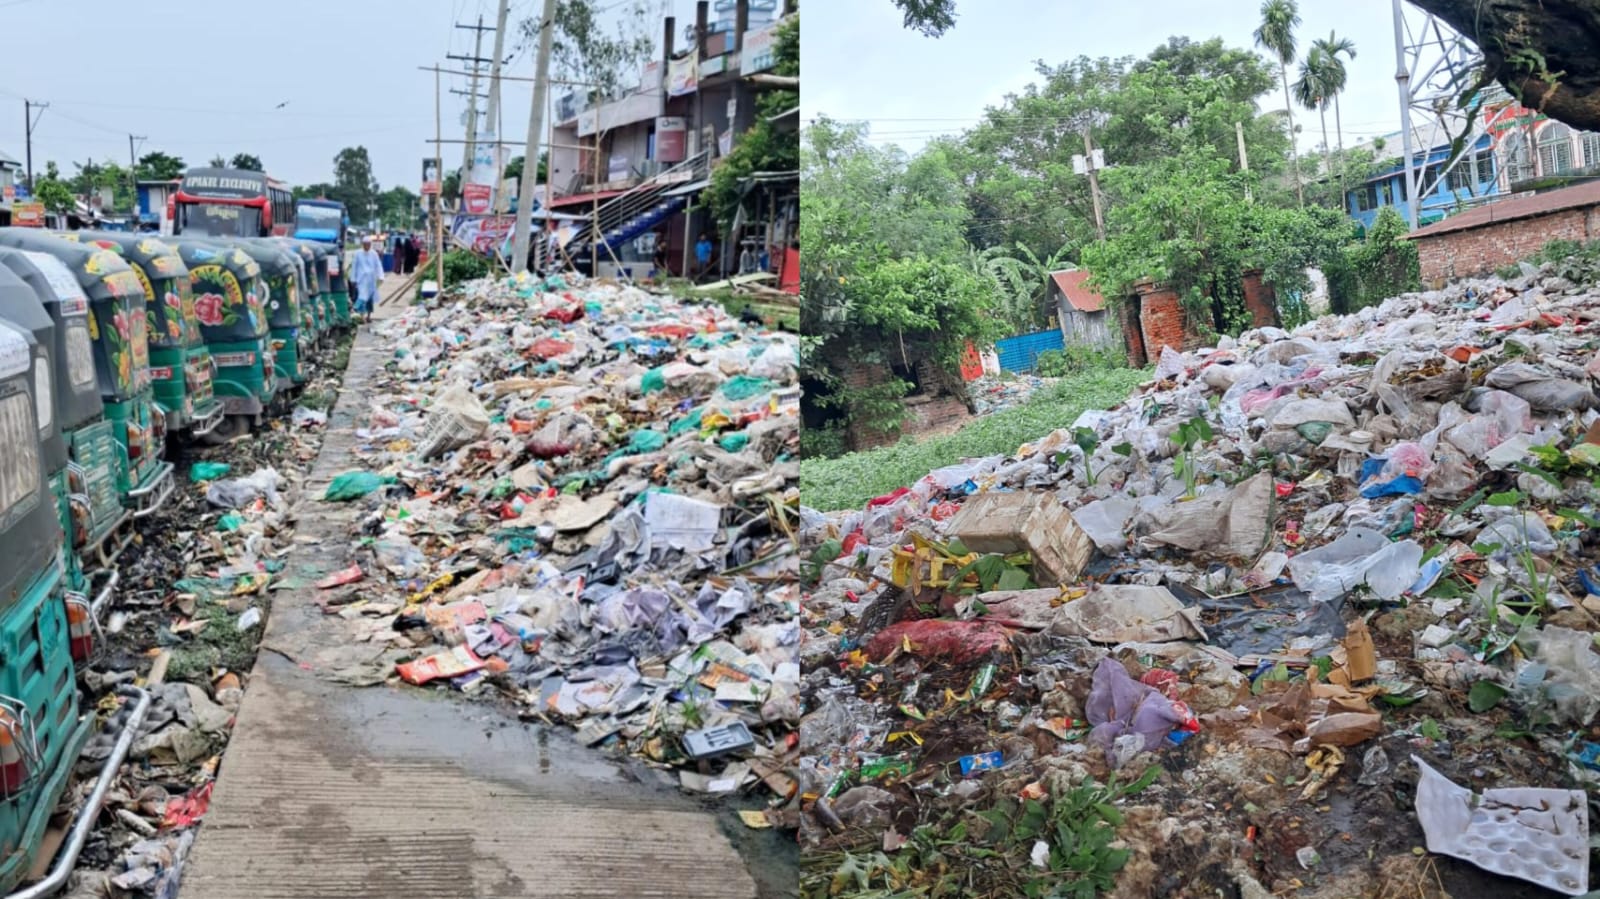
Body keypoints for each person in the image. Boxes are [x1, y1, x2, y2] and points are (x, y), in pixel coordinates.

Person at [351, 235, 383, 323]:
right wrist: (353, 279)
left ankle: (368, 316)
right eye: (365, 244)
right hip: (361, 279)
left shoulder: (374, 254)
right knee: (362, 296)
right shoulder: (358, 253)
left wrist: (380, 276)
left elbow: (378, 265)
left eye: (368, 244)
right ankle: (360, 315)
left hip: (371, 280)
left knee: (370, 299)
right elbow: (354, 266)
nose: (367, 246)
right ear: (363, 244)